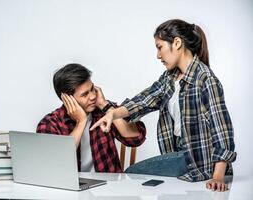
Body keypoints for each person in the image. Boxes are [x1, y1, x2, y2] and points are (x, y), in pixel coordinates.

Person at [90, 19, 236, 192]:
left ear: (177, 43)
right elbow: (145, 99)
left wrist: (218, 176)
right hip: (179, 155)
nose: (158, 55)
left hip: (199, 161)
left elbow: (222, 130)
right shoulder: (170, 78)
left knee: (130, 175)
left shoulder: (205, 80)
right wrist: (112, 114)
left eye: (160, 47)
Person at [36, 63, 146, 173]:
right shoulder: (50, 123)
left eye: (92, 89)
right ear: (67, 99)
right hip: (70, 188)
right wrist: (81, 122)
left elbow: (136, 139)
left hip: (108, 186)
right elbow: (54, 165)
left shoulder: (105, 111)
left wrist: (105, 106)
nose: (93, 96)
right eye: (85, 94)